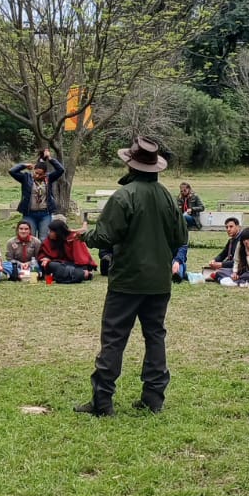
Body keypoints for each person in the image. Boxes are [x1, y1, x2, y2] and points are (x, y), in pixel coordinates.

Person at [72, 136, 189, 416]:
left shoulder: (124, 196)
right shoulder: (167, 198)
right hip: (159, 282)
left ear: (131, 165)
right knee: (155, 336)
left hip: (127, 280)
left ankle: (103, 401)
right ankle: (153, 398)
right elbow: (180, 237)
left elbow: (105, 235)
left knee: (114, 339)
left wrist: (84, 235)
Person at [10, 150, 66, 241]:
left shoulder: (49, 178)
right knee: (30, 238)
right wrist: (24, 165)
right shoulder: (26, 178)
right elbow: (12, 171)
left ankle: (42, 255)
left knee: (43, 238)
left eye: (40, 174)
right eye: (35, 173)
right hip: (29, 213)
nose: (37, 175)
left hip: (45, 213)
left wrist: (50, 158)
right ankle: (31, 256)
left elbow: (61, 170)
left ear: (44, 173)